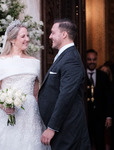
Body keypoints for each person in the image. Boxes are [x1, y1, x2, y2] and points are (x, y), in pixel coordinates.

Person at [0, 20, 50, 150]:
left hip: (31, 116)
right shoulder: (0, 62)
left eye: (27, 36)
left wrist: (42, 119)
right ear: (13, 40)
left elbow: (36, 94)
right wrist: (4, 106)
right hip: (8, 114)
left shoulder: (34, 62)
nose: (27, 39)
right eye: (23, 36)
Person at [38, 18, 91, 150]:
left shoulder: (71, 59)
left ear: (64, 34)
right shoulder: (64, 56)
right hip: (64, 128)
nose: (50, 36)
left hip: (68, 128)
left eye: (52, 33)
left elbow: (66, 96)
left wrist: (52, 127)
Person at [85, 49, 112, 150]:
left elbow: (108, 97)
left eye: (94, 59)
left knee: (100, 142)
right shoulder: (81, 75)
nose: (92, 62)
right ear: (85, 60)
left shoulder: (103, 76)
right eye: (89, 59)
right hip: (85, 116)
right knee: (86, 143)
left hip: (99, 117)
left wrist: (108, 116)